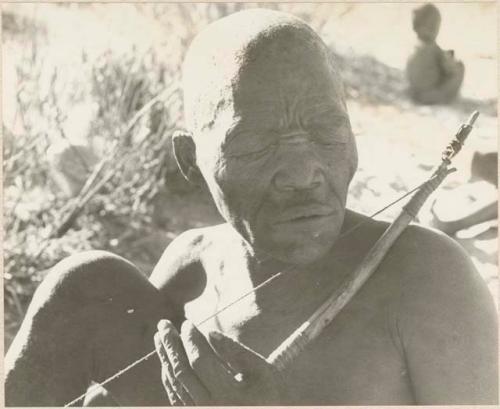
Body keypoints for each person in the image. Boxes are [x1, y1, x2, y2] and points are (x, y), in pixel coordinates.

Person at [5, 9, 497, 406]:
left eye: (326, 130)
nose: (303, 173)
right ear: (190, 161)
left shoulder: (427, 281)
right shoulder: (191, 270)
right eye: (257, 144)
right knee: (84, 287)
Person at [406, 3, 465, 104]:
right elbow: (448, 67)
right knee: (460, 67)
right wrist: (454, 63)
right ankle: (450, 98)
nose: (435, 29)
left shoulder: (414, 47)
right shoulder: (434, 49)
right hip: (431, 96)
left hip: (415, 94)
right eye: (434, 26)